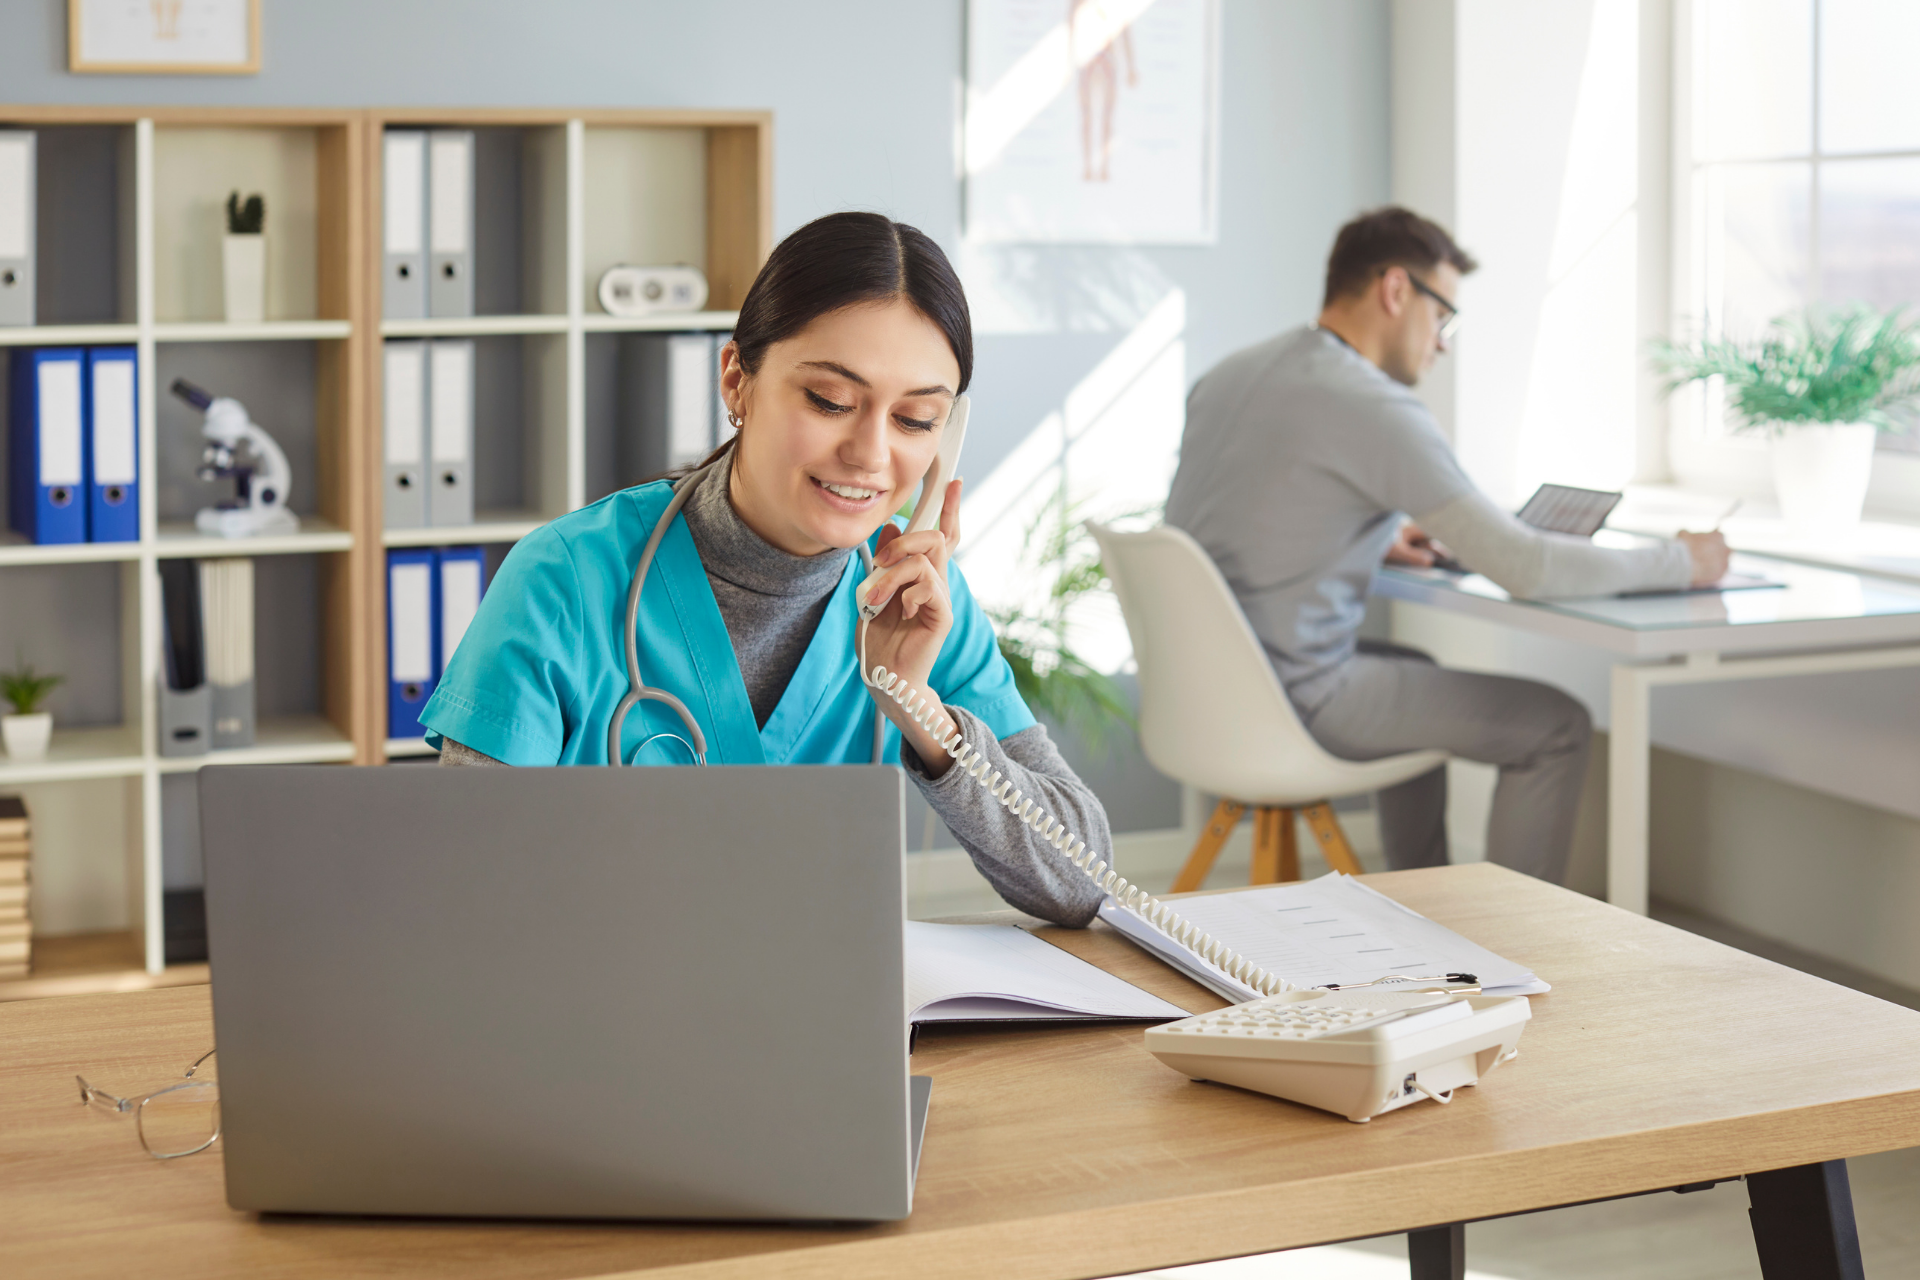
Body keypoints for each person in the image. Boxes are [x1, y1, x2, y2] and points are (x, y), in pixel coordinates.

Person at [423, 211, 1107, 927]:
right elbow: (467, 894)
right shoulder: (563, 581)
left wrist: (923, 714)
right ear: (736, 381)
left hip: (828, 1023)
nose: (871, 454)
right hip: (601, 1018)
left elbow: (1080, 882)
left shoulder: (921, 604)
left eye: (914, 420)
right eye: (831, 401)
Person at [1164, 206, 1731, 883]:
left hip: (1206, 694)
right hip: (1300, 697)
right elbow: (1526, 566)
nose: (1444, 342)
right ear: (1396, 290)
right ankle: (1508, 937)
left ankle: (1422, 907)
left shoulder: (1232, 374)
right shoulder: (1372, 404)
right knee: (1555, 726)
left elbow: (1238, 523)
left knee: (1416, 663)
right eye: (1443, 316)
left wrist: (1364, 539)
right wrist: (1682, 561)